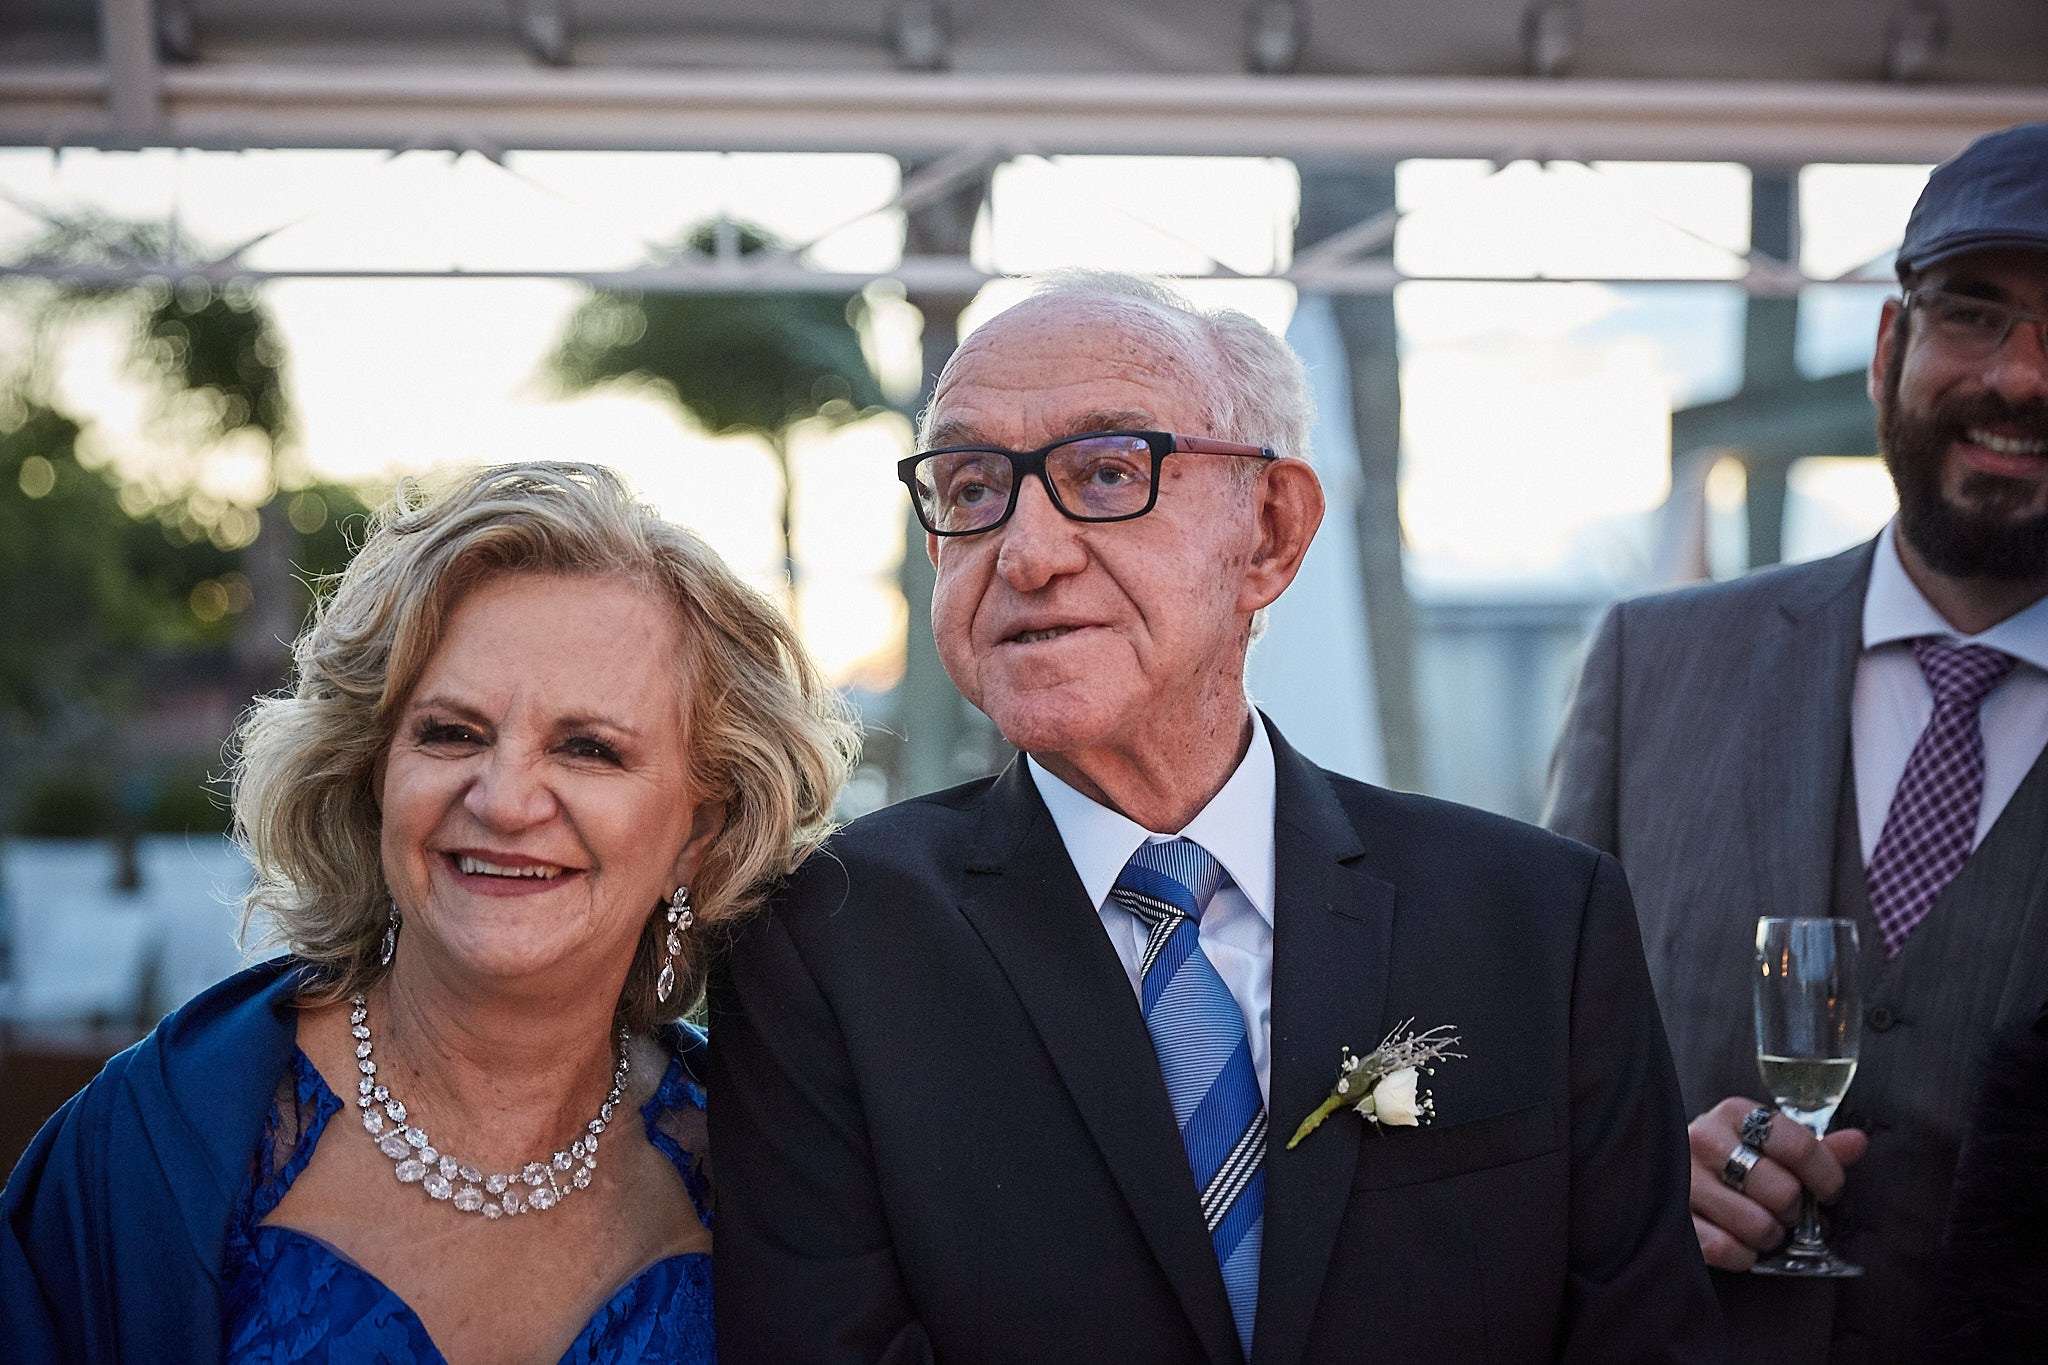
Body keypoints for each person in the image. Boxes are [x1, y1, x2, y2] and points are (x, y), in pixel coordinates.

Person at [708, 273, 1729, 1364]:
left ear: (1270, 532)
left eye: (1105, 473)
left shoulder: (1535, 920)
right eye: (968, 489)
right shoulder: (825, 939)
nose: (1025, 552)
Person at [0, 461, 856, 1362]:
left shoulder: (780, 1179)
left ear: (699, 832)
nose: (504, 799)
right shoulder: (154, 1145)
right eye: (452, 732)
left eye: (590, 748)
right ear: (372, 774)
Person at [1544, 121, 2048, 1364]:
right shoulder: (1650, 665)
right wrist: (1648, 1175)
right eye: (1972, 314)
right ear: (1889, 348)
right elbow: (1531, 1074)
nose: (2021, 377)